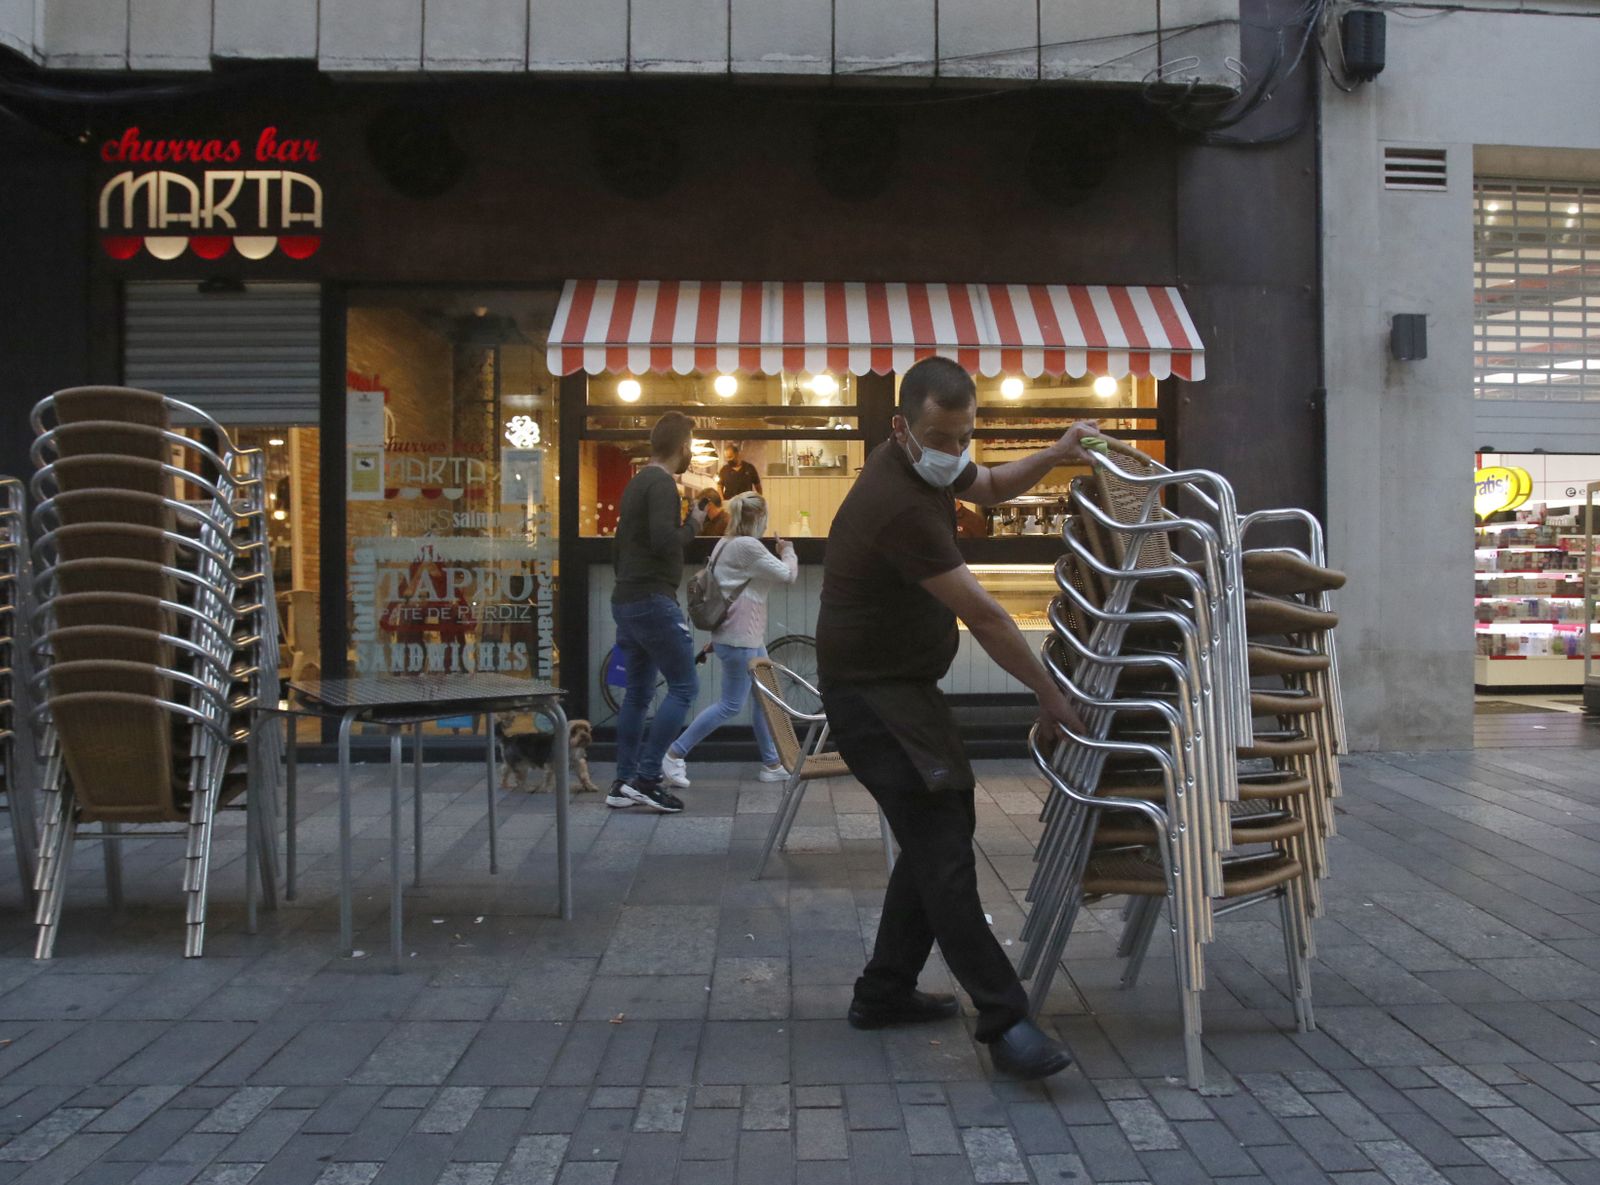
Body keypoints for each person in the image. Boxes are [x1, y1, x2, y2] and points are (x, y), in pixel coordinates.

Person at [817, 354, 1098, 1080]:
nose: (954, 452)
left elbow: (996, 485)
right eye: (940, 437)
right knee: (941, 839)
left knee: (938, 824)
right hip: (872, 695)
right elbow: (985, 614)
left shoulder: (925, 464)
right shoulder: (899, 502)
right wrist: (1049, 692)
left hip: (902, 686)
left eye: (963, 436)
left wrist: (1058, 454)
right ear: (901, 428)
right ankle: (1005, 1020)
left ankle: (883, 992)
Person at [662, 492, 798, 788]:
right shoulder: (748, 547)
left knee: (764, 700)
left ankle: (772, 763)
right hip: (740, 640)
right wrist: (787, 550)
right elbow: (788, 575)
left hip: (740, 636)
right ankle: (674, 755)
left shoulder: (726, 543)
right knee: (730, 705)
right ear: (760, 517)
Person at [608, 411, 706, 814]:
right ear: (683, 447)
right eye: (690, 448)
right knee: (684, 687)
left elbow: (622, 545)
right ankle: (648, 779)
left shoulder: (635, 483)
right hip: (652, 599)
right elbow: (666, 542)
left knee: (638, 694)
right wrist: (695, 524)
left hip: (626, 599)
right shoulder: (664, 484)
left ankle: (623, 782)